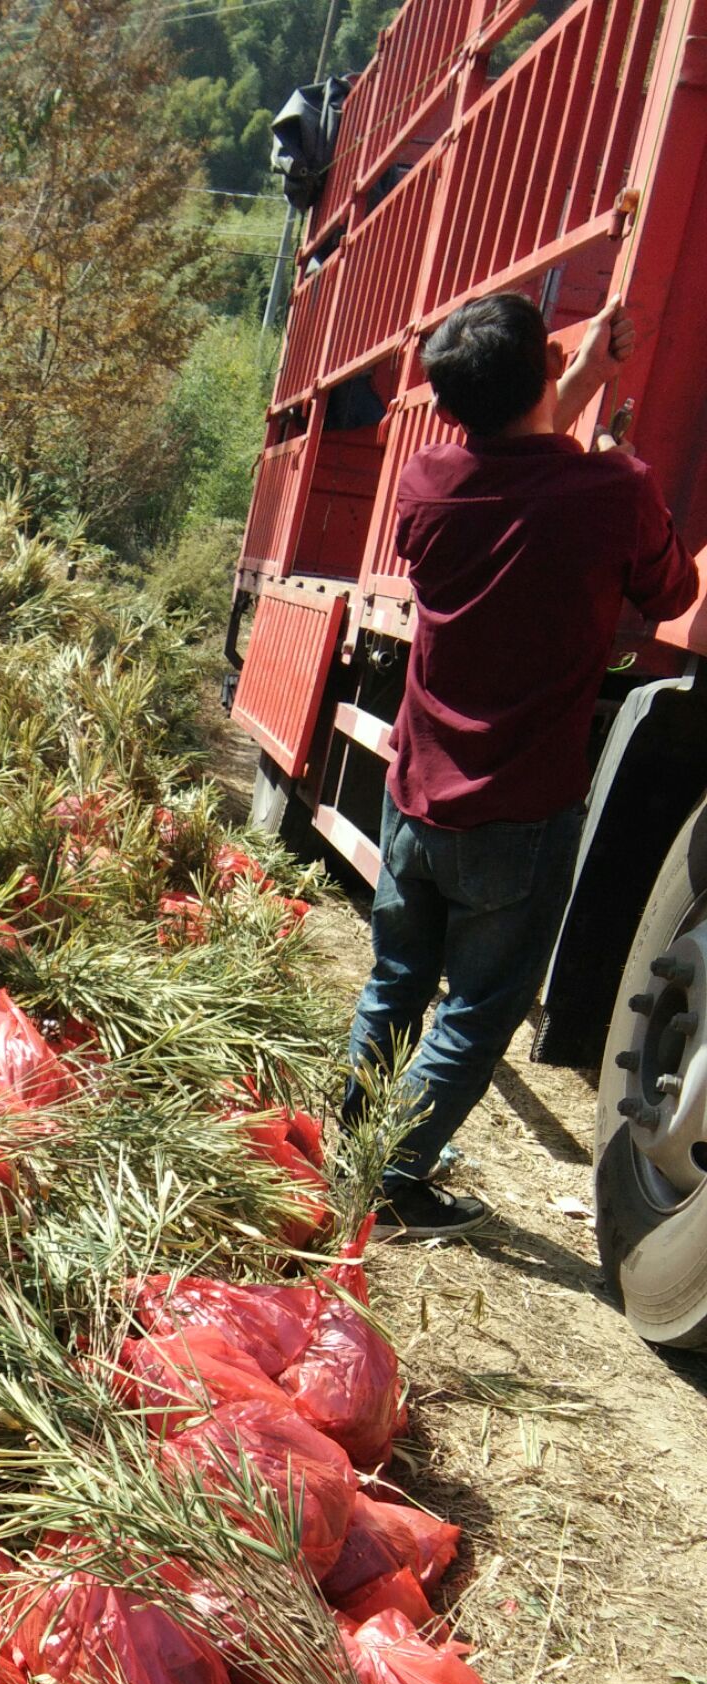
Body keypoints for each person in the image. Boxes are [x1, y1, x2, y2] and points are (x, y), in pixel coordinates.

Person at [344, 291, 698, 1238]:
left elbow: (520, 487)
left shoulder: (425, 485)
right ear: (545, 361)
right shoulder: (612, 495)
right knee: (478, 1012)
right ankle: (389, 1175)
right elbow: (672, 588)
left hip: (415, 797)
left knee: (397, 984)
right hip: (517, 814)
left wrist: (575, 387)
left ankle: (354, 1144)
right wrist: (624, 461)